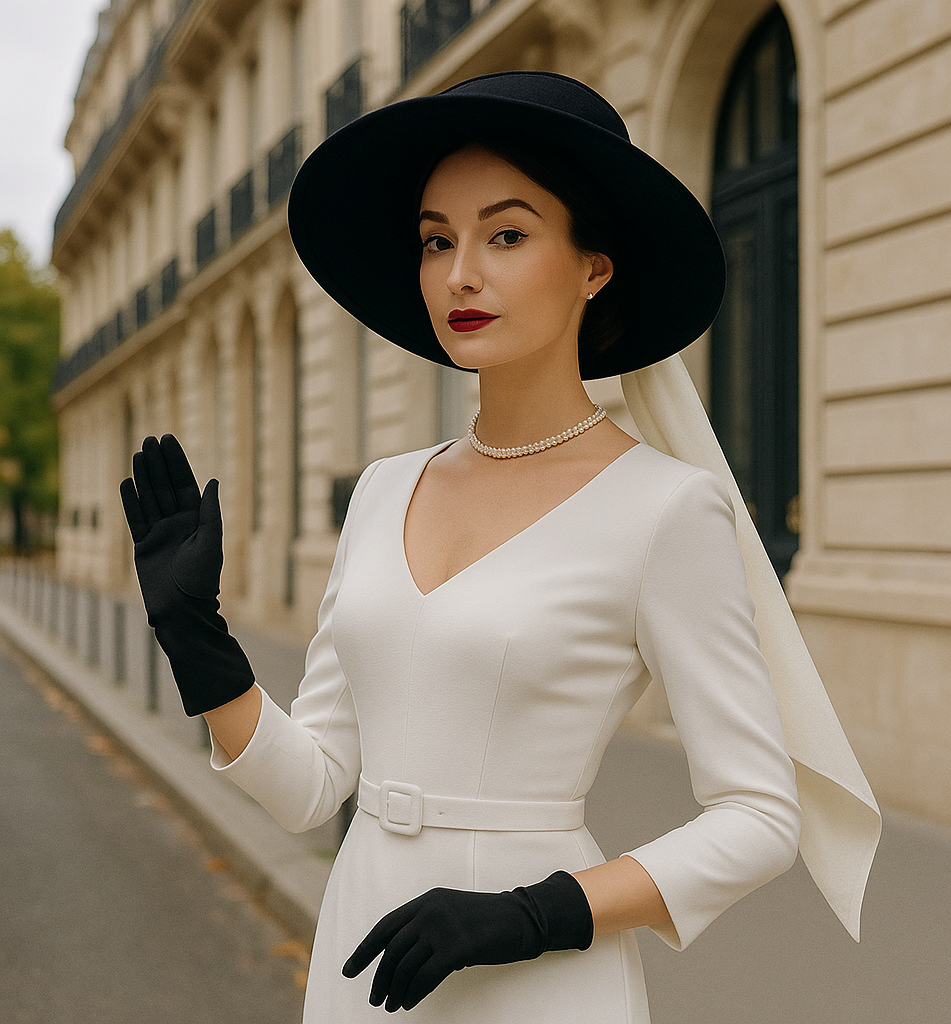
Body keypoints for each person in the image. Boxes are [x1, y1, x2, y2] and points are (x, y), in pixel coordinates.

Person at [120, 72, 880, 1022]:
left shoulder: (664, 509)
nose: (458, 274)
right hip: (365, 963)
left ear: (594, 266)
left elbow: (761, 817)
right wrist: (197, 638)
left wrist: (535, 915)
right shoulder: (385, 489)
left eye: (506, 235)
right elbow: (311, 789)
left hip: (543, 978)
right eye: (437, 240)